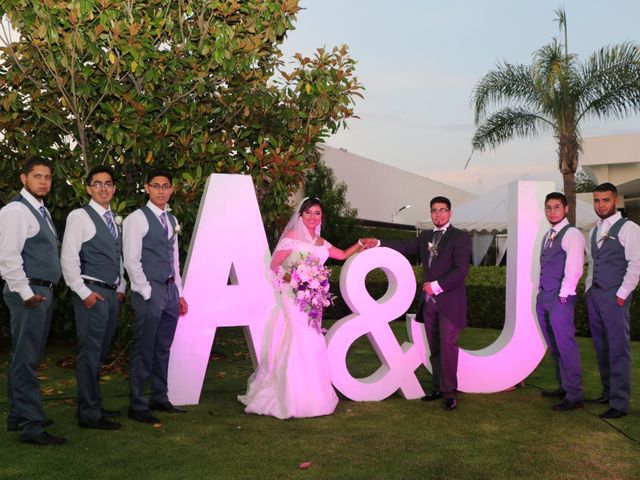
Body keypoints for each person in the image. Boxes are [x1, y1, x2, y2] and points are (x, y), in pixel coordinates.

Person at [238, 197, 361, 419]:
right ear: (301, 215)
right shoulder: (292, 237)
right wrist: (295, 280)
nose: (313, 217)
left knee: (312, 340)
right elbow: (275, 265)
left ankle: (314, 396)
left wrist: (360, 244)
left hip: (314, 297)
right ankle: (294, 398)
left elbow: (342, 255)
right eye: (309, 213)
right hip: (292, 295)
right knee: (305, 338)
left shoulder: (321, 242)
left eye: (317, 213)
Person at [361, 196, 471, 411]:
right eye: (434, 210)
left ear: (450, 213)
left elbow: (461, 271)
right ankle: (438, 387)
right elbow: (403, 245)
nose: (438, 214)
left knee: (448, 347)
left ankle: (450, 393)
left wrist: (436, 285)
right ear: (431, 213)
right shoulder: (426, 236)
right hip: (429, 303)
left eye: (442, 210)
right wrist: (379, 243)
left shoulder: (460, 237)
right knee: (435, 347)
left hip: (449, 301)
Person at [0, 158, 65, 445]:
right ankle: (31, 425)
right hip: (29, 293)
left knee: (24, 357)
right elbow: (8, 257)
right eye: (37, 176)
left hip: (40, 291)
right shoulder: (16, 210)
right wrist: (26, 294)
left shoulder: (39, 209)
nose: (43, 181)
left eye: (48, 177)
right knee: (26, 360)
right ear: (23, 178)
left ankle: (17, 415)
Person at [60, 166, 126, 430]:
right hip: (92, 293)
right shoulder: (80, 216)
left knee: (99, 354)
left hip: (111, 294)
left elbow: (118, 257)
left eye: (108, 183)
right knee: (89, 354)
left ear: (114, 188)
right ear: (88, 188)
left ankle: (92, 404)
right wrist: (84, 293)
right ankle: (88, 413)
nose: (103, 188)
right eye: (97, 184)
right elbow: (68, 258)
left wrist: (121, 286)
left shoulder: (115, 218)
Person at [123, 169, 189, 424]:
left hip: (171, 290)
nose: (161, 190)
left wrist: (179, 293)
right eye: (156, 186)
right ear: (147, 188)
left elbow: (174, 259)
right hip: (149, 290)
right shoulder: (136, 219)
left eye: (166, 186)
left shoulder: (171, 219)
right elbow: (131, 259)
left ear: (172, 189)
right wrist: (146, 289)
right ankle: (137, 404)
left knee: (163, 347)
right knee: (144, 347)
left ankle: (159, 397)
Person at [585, 182, 640, 419]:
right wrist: (588, 290)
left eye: (605, 200)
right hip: (595, 295)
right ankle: (608, 392)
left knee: (618, 348)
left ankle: (619, 402)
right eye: (597, 200)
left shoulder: (629, 228)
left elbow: (636, 264)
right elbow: (593, 263)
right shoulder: (593, 230)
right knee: (602, 347)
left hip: (615, 296)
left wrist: (621, 294)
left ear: (614, 200)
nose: (601, 205)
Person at [535, 192, 585, 411]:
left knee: (565, 345)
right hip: (545, 296)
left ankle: (575, 395)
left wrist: (563, 297)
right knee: (554, 345)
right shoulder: (549, 234)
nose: (552, 211)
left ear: (565, 209)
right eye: (548, 207)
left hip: (560, 299)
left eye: (556, 207)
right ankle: (564, 386)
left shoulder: (571, 233)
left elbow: (574, 269)